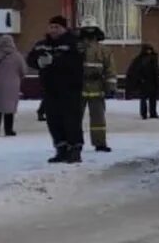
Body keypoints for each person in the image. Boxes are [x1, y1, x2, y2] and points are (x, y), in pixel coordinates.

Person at [28, 16, 84, 163]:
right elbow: (30, 58)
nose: (53, 30)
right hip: (50, 89)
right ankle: (61, 149)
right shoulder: (42, 45)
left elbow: (76, 63)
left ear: (64, 28)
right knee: (54, 121)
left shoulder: (73, 43)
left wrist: (55, 61)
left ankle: (74, 149)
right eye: (51, 27)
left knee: (71, 120)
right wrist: (38, 62)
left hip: (70, 89)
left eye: (57, 27)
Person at [79, 20, 116, 152]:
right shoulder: (75, 48)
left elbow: (110, 69)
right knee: (74, 118)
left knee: (98, 118)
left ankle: (100, 143)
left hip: (97, 87)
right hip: (78, 87)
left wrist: (111, 87)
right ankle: (74, 143)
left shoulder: (104, 50)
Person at [0, 34, 26, 137]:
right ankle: (8, 130)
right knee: (9, 109)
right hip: (12, 85)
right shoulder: (17, 56)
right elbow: (23, 70)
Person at [127, 44, 159, 120]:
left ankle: (152, 113)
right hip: (144, 81)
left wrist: (157, 78)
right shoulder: (140, 59)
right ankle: (144, 113)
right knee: (144, 98)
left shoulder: (153, 58)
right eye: (147, 50)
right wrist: (140, 79)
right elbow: (135, 70)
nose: (149, 51)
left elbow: (156, 70)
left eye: (150, 50)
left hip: (152, 81)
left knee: (152, 98)